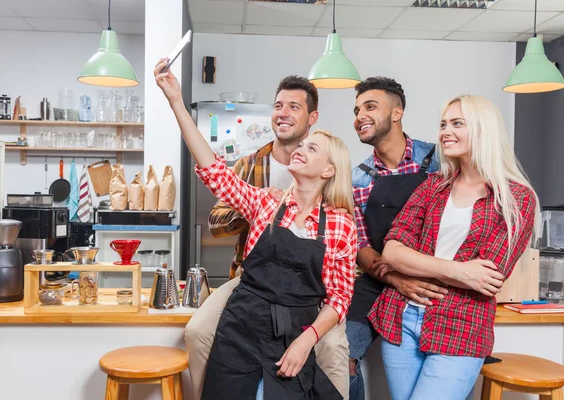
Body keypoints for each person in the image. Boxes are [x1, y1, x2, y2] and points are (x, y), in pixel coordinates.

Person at [155, 58, 357, 399]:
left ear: (329, 171)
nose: (300, 151)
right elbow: (214, 172)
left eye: (311, 148)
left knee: (334, 356)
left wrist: (308, 338)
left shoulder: (339, 224)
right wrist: (176, 101)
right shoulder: (266, 201)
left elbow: (339, 296)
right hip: (250, 300)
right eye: (278, 105)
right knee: (205, 340)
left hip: (304, 310)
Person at [367, 95, 540, 400]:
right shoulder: (433, 186)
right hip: (401, 319)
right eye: (444, 124)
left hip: (461, 326)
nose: (445, 131)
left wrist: (416, 262)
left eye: (457, 123)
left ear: (483, 129)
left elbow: (488, 276)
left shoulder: (516, 199)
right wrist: (459, 271)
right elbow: (392, 251)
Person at [345, 77, 446, 399]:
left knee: (442, 364)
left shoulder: (440, 162)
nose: (360, 115)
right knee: (338, 355)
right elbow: (361, 246)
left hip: (438, 277)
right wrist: (397, 278)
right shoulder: (357, 177)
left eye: (370, 106)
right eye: (357, 109)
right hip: (378, 279)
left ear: (397, 112)